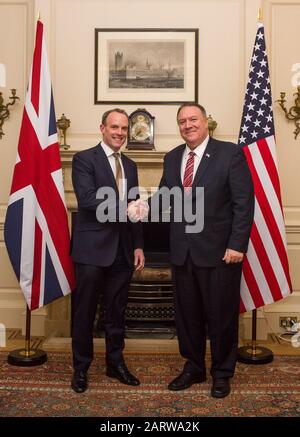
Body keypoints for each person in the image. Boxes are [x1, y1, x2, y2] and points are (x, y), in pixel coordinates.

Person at [128, 103, 254, 398]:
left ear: (206, 121)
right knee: (187, 316)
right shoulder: (173, 158)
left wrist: (237, 245)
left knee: (221, 317)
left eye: (193, 119)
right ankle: (194, 367)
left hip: (220, 253)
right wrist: (140, 209)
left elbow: (243, 204)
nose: (187, 125)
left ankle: (222, 373)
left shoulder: (230, 153)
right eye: (182, 121)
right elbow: (164, 197)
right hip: (182, 252)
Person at [71, 108, 144, 393]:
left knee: (116, 312)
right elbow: (88, 200)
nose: (119, 133)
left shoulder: (131, 165)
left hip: (123, 251)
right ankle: (81, 368)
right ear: (102, 128)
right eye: (114, 127)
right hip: (91, 250)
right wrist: (125, 208)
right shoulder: (83, 159)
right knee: (85, 312)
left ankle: (115, 364)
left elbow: (136, 208)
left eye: (124, 129)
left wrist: (138, 244)